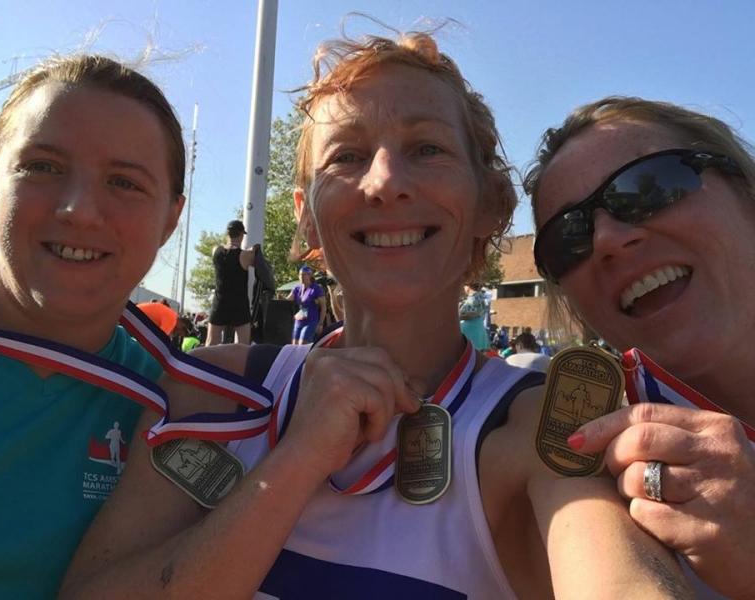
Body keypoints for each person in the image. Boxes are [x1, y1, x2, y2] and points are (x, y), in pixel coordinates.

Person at [62, 31, 688, 599]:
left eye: (427, 148)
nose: (385, 182)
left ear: (491, 204)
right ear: (307, 215)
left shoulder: (534, 426)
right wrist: (299, 458)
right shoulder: (217, 391)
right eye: (347, 157)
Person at [0, 54, 185, 599]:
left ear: (171, 220)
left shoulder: (174, 408)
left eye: (124, 182)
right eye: (42, 167)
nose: (80, 210)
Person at [525, 95, 755, 599]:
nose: (608, 239)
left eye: (648, 187)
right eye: (569, 238)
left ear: (745, 192)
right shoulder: (581, 465)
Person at [206, 219, 256, 346]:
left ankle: (200, 360)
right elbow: (258, 262)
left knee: (211, 342)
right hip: (239, 304)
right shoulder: (246, 256)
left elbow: (226, 251)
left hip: (220, 302)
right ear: (241, 235)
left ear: (227, 234)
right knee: (242, 346)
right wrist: (253, 250)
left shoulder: (215, 251)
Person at [290, 265, 326, 344]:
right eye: (300, 275)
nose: (301, 277)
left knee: (302, 344)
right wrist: (279, 298)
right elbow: (288, 300)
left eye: (304, 274)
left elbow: (323, 307)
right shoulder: (297, 288)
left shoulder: (316, 288)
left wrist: (320, 324)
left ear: (310, 276)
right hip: (299, 320)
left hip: (311, 321)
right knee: (294, 345)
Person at [458, 282, 488, 351]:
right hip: (478, 328)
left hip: (471, 330)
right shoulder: (480, 297)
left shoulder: (473, 297)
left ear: (468, 287)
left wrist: (457, 316)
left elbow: (471, 313)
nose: (464, 288)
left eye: (465, 286)